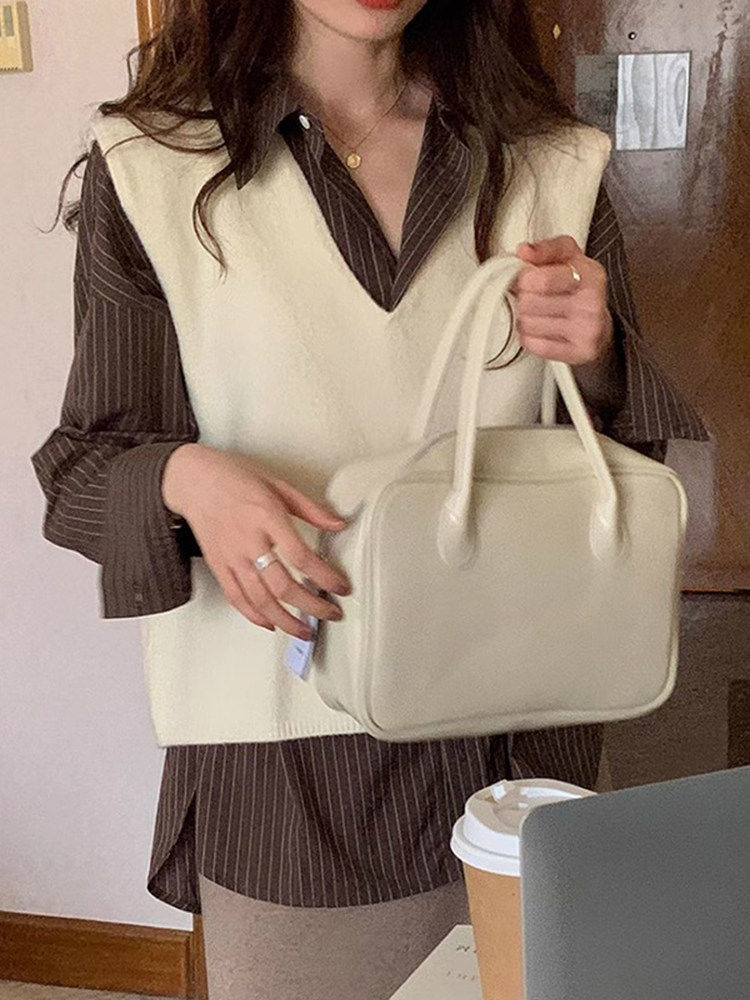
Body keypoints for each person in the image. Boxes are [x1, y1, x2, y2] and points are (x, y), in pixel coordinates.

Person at [32, 1, 707, 998]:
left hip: (521, 729)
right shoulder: (155, 168)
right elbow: (86, 465)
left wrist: (597, 354)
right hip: (289, 764)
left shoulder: (549, 163)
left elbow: (613, 465)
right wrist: (184, 477)